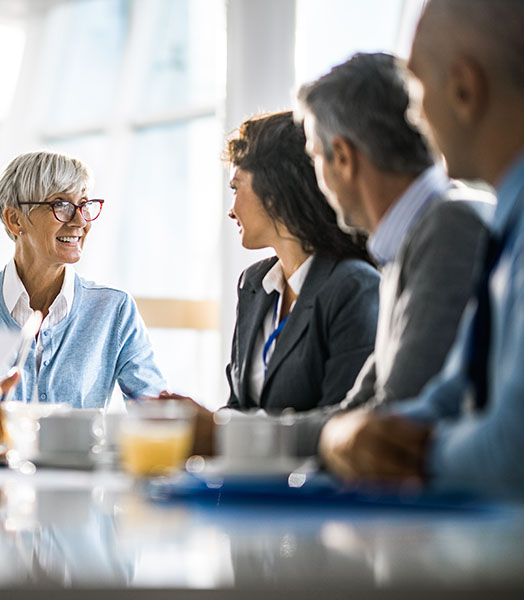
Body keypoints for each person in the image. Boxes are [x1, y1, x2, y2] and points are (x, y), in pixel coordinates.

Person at [319, 0, 524, 495]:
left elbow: (513, 451)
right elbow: (449, 394)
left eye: (416, 87)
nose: (413, 114)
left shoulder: (462, 225)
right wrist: (344, 437)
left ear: (463, 89)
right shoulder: (505, 225)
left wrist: (377, 448)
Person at [285, 52, 490, 455]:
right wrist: (231, 435)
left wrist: (231, 437)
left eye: (313, 156)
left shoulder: (450, 229)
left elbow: (394, 419)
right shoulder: (409, 238)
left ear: (342, 157)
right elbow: (355, 411)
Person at [0, 151, 166, 409]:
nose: (80, 221)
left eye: (84, 204)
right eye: (61, 205)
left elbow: (157, 413)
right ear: (15, 219)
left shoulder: (115, 308)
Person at [223, 111, 379, 414]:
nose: (231, 210)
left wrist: (216, 430)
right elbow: (238, 407)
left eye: (236, 187)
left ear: (275, 189)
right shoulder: (253, 285)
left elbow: (343, 421)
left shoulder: (353, 287)